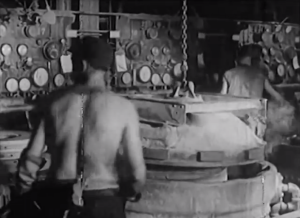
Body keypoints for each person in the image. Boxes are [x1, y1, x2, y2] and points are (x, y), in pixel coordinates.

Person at [14, 36, 146, 218]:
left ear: (83, 64)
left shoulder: (52, 103)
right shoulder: (124, 108)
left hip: (58, 200)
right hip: (105, 201)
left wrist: (24, 190)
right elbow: (137, 171)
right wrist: (130, 192)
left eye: (72, 61)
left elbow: (31, 157)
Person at [220, 45, 284, 103]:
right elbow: (277, 97)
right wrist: (286, 104)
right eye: (259, 59)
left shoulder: (228, 74)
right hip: (254, 113)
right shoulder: (261, 76)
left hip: (232, 113)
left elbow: (222, 98)